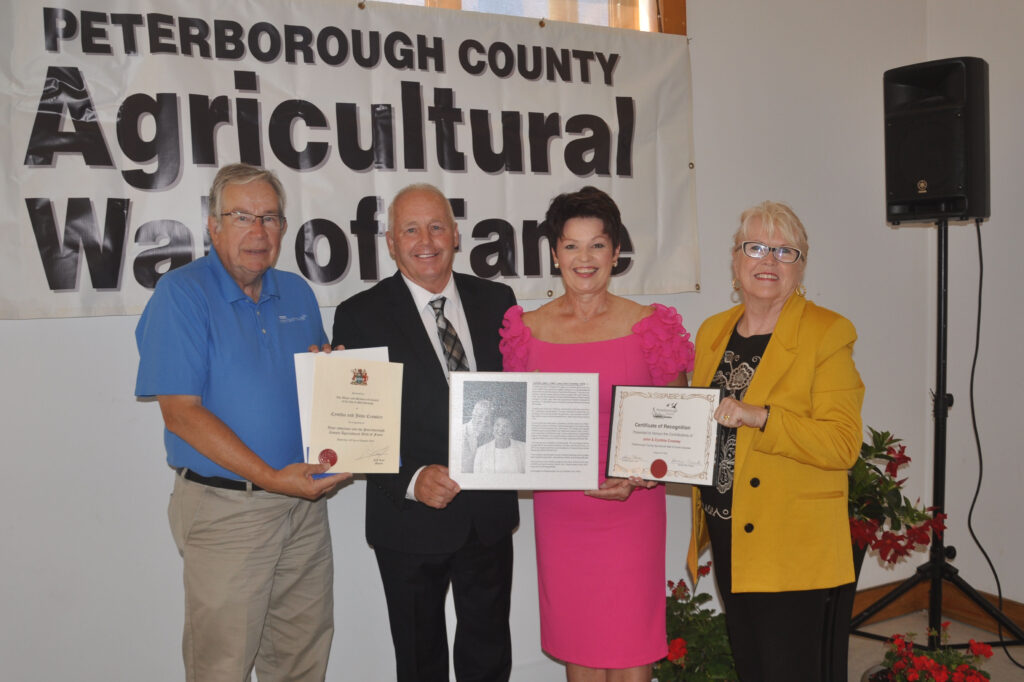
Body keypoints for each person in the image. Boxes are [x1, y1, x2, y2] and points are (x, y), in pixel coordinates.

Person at [135, 163, 349, 681]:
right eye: (242, 217)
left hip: (302, 505)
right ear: (212, 225)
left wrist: (341, 389)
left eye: (271, 218)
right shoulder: (182, 295)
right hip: (227, 509)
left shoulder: (296, 292)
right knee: (223, 666)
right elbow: (180, 413)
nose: (259, 232)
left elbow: (311, 389)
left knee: (302, 658)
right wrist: (272, 477)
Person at [500, 186, 694, 681]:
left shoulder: (651, 326)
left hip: (631, 509)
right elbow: (516, 428)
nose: (584, 258)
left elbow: (675, 424)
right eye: (571, 245)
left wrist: (635, 477)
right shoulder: (527, 329)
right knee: (579, 648)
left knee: (631, 650)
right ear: (553, 253)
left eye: (597, 245)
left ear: (616, 252)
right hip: (563, 511)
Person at [331, 184, 519, 682]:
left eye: (437, 226)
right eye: (410, 229)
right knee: (419, 663)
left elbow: (522, 396)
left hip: (487, 517)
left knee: (489, 657)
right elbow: (356, 428)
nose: (426, 240)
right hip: (408, 521)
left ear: (456, 235)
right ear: (391, 242)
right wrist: (412, 479)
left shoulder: (499, 300)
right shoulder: (358, 314)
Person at [686, 200, 864, 682]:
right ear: (735, 259)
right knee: (752, 664)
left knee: (789, 670)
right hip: (728, 532)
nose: (769, 261)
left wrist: (762, 417)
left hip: (789, 538)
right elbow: (700, 425)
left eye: (786, 251)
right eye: (757, 247)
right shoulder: (712, 332)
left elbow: (843, 443)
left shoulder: (827, 332)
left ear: (801, 267)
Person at [461, 399, 494, 472]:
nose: (483, 420)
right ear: (473, 415)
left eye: (487, 418)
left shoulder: (492, 435)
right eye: (480, 416)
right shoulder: (460, 432)